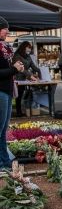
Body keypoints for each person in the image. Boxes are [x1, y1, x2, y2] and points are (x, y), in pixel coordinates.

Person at [0, 17, 25, 169]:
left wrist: (17, 67)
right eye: (4, 28)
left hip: (7, 90)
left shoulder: (5, 48)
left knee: (3, 130)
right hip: (1, 91)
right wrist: (14, 69)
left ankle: (4, 162)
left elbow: (9, 69)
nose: (7, 31)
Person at [12, 41, 41, 117]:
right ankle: (18, 112)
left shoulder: (28, 56)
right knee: (18, 95)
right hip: (18, 77)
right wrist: (30, 76)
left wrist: (40, 71)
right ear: (24, 47)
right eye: (28, 47)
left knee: (22, 94)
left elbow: (33, 66)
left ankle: (23, 109)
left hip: (25, 78)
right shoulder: (17, 56)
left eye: (30, 48)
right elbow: (21, 69)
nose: (30, 49)